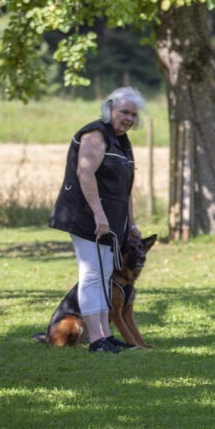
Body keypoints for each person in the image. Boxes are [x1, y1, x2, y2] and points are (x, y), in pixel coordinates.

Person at [49, 87, 146, 354]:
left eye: (134, 115)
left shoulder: (121, 141)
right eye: (124, 112)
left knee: (104, 276)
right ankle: (96, 340)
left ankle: (105, 335)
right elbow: (85, 173)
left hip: (110, 222)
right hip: (86, 217)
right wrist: (98, 214)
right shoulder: (95, 134)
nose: (129, 118)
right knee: (92, 275)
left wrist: (131, 224)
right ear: (110, 108)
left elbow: (124, 189)